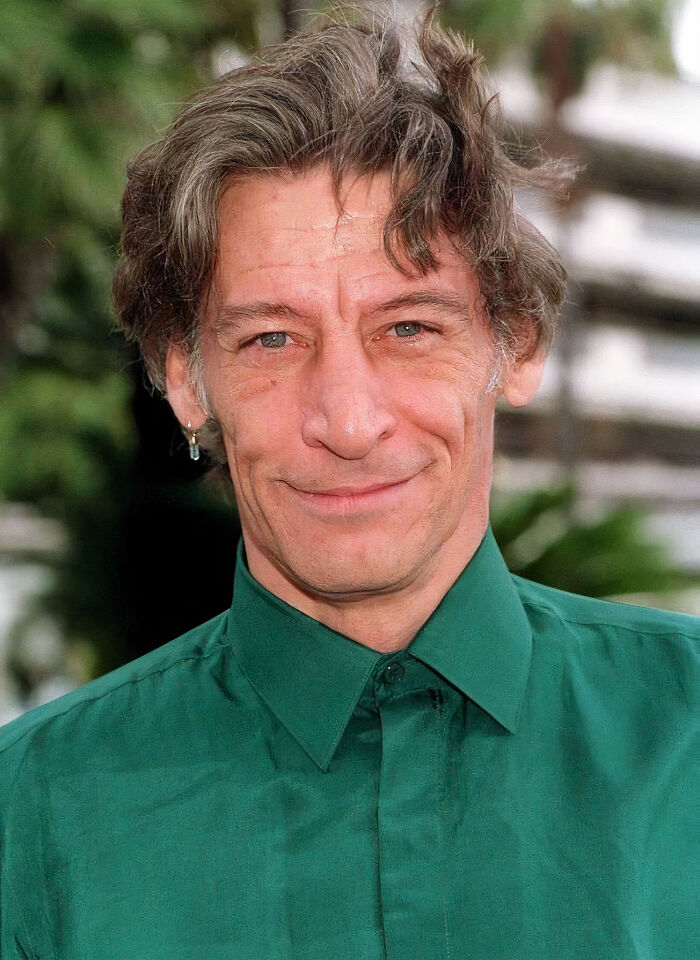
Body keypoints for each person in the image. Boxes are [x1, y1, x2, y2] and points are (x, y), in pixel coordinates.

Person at [1, 10, 697, 959]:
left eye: (409, 327)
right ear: (185, 380)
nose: (347, 420)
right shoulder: (31, 818)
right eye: (272, 339)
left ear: (518, 343)